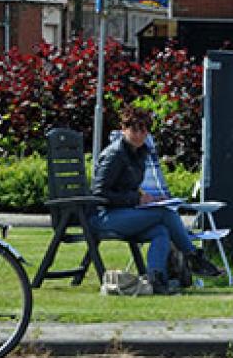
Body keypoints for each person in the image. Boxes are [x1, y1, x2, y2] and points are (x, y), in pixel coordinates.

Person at [90, 107, 223, 295]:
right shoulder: (114, 155)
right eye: (134, 129)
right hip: (103, 216)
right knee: (164, 213)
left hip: (123, 213)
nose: (138, 134)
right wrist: (137, 199)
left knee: (161, 231)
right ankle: (193, 257)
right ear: (123, 129)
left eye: (143, 130)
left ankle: (157, 280)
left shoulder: (140, 153)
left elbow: (127, 186)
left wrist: (151, 198)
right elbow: (99, 194)